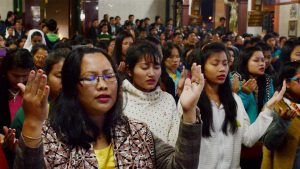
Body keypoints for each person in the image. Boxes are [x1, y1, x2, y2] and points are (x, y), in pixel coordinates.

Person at [14, 47, 204, 168]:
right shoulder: (51, 138)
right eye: (90, 77)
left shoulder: (137, 133)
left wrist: (188, 112)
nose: (102, 85)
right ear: (71, 85)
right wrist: (32, 122)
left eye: (108, 76)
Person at [186, 42, 284, 169]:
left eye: (225, 63)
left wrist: (268, 108)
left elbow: (248, 139)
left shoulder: (234, 100)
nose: (222, 68)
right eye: (215, 64)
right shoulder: (192, 100)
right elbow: (184, 146)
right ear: (202, 67)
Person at [123, 41, 181, 146]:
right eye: (145, 67)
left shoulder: (167, 100)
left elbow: (174, 144)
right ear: (129, 70)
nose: (152, 73)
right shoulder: (121, 100)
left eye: (156, 67)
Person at [261, 61, 300, 169]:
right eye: (299, 80)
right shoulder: (274, 107)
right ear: (286, 83)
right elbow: (269, 144)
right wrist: (282, 122)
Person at [0, 49, 34, 134]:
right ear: (6, 71)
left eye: (25, 75)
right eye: (15, 75)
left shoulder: (35, 89)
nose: (20, 80)